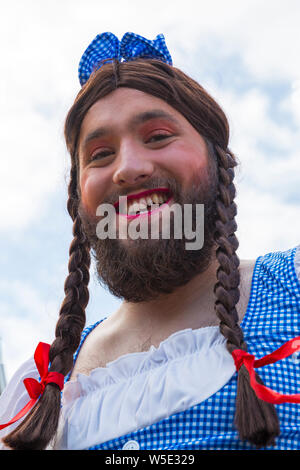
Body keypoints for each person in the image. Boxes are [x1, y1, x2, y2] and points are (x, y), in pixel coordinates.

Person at [0, 32, 299, 451]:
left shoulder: (294, 288)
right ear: (78, 196)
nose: (129, 168)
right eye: (100, 154)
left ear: (219, 161)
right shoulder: (38, 391)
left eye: (158, 136)